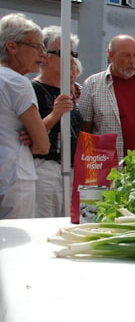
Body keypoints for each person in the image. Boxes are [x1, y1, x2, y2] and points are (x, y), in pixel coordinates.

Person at [80, 34, 135, 161]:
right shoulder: (93, 84)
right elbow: (85, 130)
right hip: (108, 169)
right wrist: (91, 168)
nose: (132, 60)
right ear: (111, 55)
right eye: (126, 55)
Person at [0, 13, 50, 219]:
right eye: (36, 47)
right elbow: (42, 145)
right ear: (12, 47)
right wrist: (34, 136)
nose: (43, 55)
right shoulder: (16, 82)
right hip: (14, 175)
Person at [31, 25, 83, 218]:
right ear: (45, 55)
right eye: (64, 53)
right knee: (45, 225)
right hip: (46, 170)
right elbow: (28, 137)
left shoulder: (68, 92)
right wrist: (54, 115)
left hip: (71, 169)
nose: (71, 59)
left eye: (73, 53)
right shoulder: (33, 89)